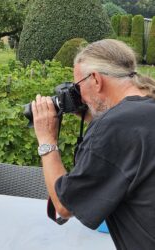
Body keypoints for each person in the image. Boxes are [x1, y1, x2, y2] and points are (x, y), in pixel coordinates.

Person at [31, 39, 155, 249]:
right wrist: (95, 115)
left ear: (96, 80)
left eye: (78, 87)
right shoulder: (146, 105)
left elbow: (64, 207)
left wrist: (46, 140)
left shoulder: (114, 126)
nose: (79, 96)